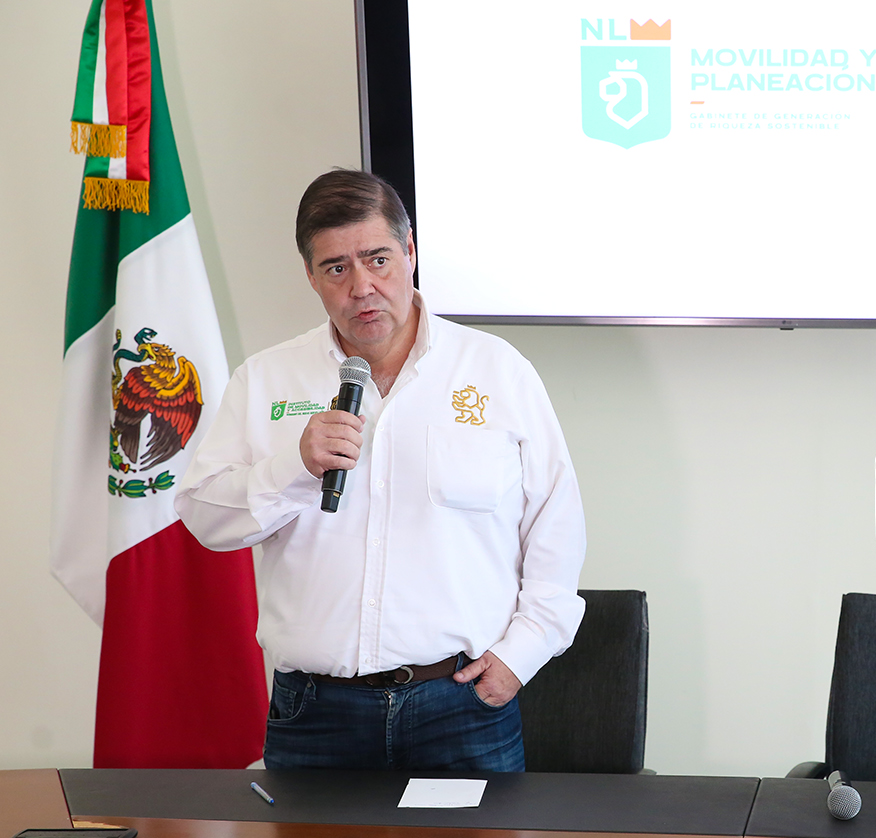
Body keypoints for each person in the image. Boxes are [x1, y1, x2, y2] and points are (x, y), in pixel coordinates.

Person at [175, 169, 586, 770]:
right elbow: (205, 517)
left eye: (378, 259)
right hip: (314, 713)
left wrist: (520, 655)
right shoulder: (266, 379)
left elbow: (556, 523)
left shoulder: (496, 370)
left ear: (411, 251)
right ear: (311, 276)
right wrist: (295, 466)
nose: (362, 287)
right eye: (337, 268)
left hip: (461, 704)